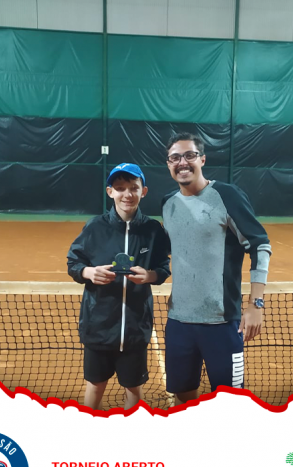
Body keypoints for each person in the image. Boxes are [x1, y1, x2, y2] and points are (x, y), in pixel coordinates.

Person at [161, 133, 271, 405]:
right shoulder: (167, 203)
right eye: (175, 157)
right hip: (179, 322)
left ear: (202, 159)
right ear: (169, 164)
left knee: (230, 402)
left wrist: (256, 304)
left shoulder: (227, 195)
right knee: (183, 396)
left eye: (189, 155)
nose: (182, 162)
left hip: (221, 323)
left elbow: (259, 245)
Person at [67, 163, 170, 410]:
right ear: (110, 192)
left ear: (144, 191)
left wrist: (150, 276)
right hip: (98, 326)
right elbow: (73, 263)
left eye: (133, 187)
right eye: (120, 188)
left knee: (133, 388)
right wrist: (88, 272)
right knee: (95, 385)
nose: (127, 194)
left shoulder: (153, 230)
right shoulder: (94, 227)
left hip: (136, 328)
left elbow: (163, 268)